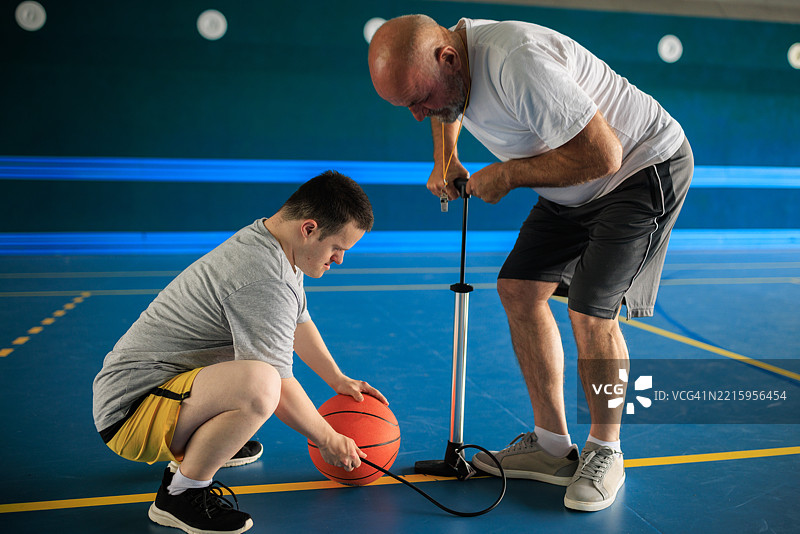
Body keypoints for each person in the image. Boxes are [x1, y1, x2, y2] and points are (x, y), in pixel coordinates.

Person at [368, 15, 693, 512]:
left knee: (590, 313)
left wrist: (509, 174)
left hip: (636, 168)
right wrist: (446, 156)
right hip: (570, 182)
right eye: (407, 105)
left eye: (418, 100)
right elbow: (444, 103)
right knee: (518, 288)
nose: (418, 114)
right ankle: (551, 446)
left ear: (448, 58)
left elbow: (604, 155)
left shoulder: (517, 62)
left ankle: (606, 451)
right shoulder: (449, 61)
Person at [92, 170, 387, 534]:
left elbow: (296, 320)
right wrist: (328, 439)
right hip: (130, 413)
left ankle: (207, 444)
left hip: (161, 390)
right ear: (309, 228)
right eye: (337, 248)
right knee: (261, 383)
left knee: (260, 376)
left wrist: (338, 379)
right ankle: (180, 495)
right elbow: (278, 384)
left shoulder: (273, 243)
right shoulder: (264, 275)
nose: (339, 259)